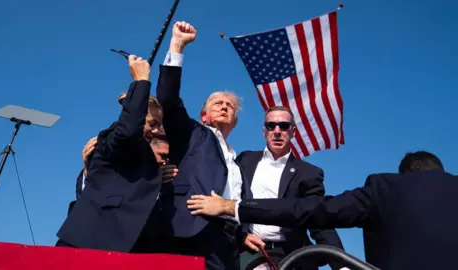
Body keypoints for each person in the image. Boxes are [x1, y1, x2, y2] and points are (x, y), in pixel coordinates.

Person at [187, 151, 457, 269]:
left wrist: (233, 206)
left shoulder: (385, 188)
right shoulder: (246, 159)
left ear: (404, 176)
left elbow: (314, 210)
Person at [157, 21, 252, 269]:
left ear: (235, 121)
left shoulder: (236, 161)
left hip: (229, 246)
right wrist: (177, 45)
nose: (223, 106)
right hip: (191, 235)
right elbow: (167, 99)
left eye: (229, 106)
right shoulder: (193, 134)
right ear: (203, 116)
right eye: (217, 103)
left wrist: (245, 233)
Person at [56, 55, 166, 252]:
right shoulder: (114, 136)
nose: (156, 130)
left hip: (123, 247)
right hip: (90, 242)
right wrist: (141, 81)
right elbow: (129, 131)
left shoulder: (144, 159)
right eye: (152, 123)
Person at [236, 106, 345, 270]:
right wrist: (241, 236)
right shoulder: (245, 160)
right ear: (264, 131)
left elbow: (319, 218)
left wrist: (342, 265)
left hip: (292, 255)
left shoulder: (309, 173)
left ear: (293, 132)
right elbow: (228, 198)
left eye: (284, 126)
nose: (277, 131)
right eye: (271, 126)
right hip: (250, 252)